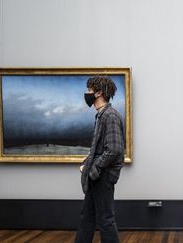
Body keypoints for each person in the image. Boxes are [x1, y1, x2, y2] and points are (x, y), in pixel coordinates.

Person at [75, 76, 125, 243]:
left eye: (89, 90)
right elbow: (103, 149)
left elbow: (114, 150)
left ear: (99, 93)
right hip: (97, 175)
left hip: (102, 176)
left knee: (105, 220)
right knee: (87, 218)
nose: (86, 93)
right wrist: (89, 161)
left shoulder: (110, 116)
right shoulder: (101, 115)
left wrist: (92, 168)